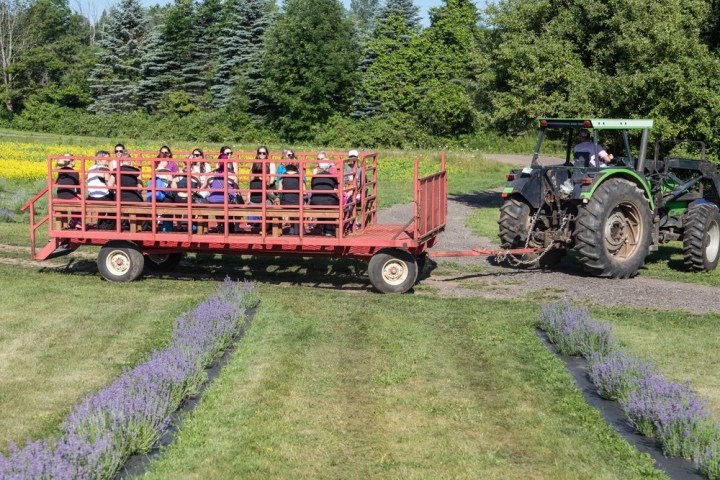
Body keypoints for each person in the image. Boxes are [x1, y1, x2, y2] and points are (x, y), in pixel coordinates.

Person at [310, 159, 339, 236]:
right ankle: (329, 230)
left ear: (319, 167)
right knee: (332, 203)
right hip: (329, 201)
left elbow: (313, 188)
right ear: (328, 167)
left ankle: (322, 227)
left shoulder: (314, 177)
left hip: (315, 202)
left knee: (323, 203)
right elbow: (335, 190)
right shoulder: (333, 177)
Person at [55, 155, 81, 229]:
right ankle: (75, 221)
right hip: (70, 198)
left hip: (60, 196)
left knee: (75, 199)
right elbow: (77, 186)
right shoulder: (75, 172)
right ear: (71, 162)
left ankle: (65, 224)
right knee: (80, 203)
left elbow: (58, 182)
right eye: (74, 160)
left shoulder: (60, 171)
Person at [279, 163, 302, 235]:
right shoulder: (299, 176)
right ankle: (298, 228)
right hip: (297, 202)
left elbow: (279, 190)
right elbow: (304, 191)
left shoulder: (282, 176)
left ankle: (292, 228)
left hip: (286, 202)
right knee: (299, 203)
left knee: (289, 202)